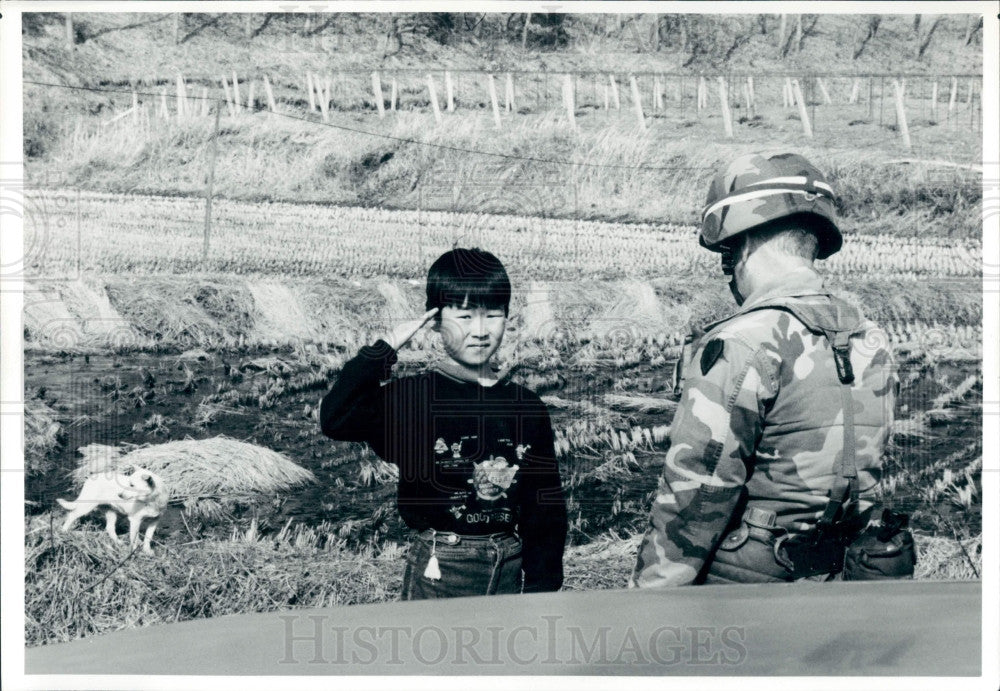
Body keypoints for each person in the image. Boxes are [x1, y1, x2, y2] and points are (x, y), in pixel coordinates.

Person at [631, 152, 898, 586]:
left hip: (746, 599)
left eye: (727, 253)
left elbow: (697, 496)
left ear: (744, 243)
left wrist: (651, 601)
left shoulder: (742, 341)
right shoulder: (871, 338)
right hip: (843, 590)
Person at [320, 247, 567, 599]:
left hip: (509, 563)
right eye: (464, 317)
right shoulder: (411, 398)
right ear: (435, 321)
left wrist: (543, 586)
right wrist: (387, 346)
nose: (480, 331)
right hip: (440, 567)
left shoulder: (527, 406)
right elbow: (335, 418)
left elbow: (545, 506)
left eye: (493, 315)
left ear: (507, 318)